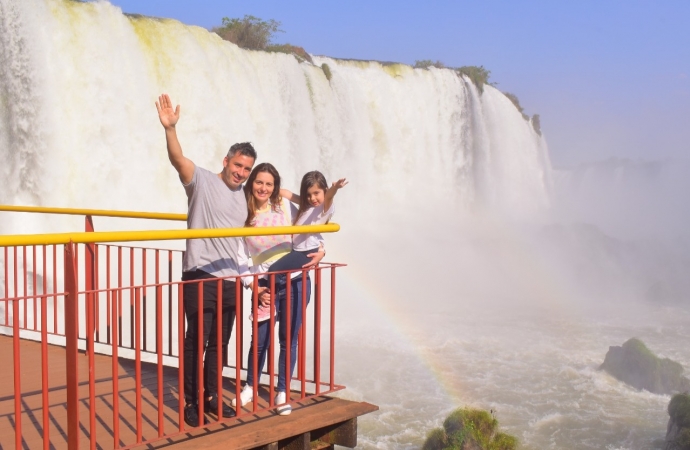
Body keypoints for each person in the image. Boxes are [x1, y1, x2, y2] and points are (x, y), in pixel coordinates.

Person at [156, 93, 255, 427]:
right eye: (238, 164)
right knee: (196, 339)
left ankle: (212, 397)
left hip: (229, 278)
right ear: (226, 160)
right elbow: (177, 159)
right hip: (199, 273)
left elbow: (276, 192)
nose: (241, 172)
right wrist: (170, 129)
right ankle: (190, 400)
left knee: (219, 343)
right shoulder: (201, 180)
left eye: (247, 168)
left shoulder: (245, 199)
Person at [234, 169, 345, 415]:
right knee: (260, 340)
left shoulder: (284, 205)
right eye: (259, 183)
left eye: (269, 184)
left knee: (288, 339)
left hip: (294, 281)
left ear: (275, 187)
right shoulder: (243, 214)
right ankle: (250, 387)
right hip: (263, 285)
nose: (264, 188)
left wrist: (322, 249)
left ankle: (282, 391)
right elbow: (241, 259)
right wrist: (254, 286)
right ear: (251, 184)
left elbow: (312, 226)